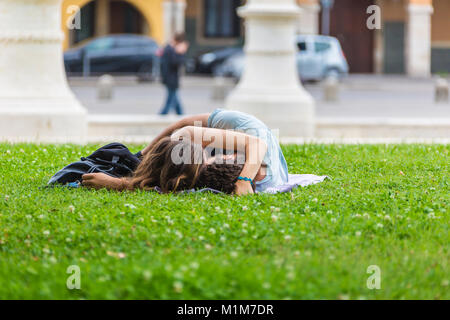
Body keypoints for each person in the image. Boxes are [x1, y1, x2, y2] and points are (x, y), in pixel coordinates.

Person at [82, 109, 289, 196]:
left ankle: (155, 161)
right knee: (181, 140)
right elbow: (184, 126)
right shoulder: (247, 137)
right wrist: (143, 154)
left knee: (182, 161)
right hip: (237, 130)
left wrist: (120, 184)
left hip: (231, 154)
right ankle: (147, 158)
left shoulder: (217, 175)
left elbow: (182, 184)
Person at [159, 32, 189, 115]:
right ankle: (164, 114)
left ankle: (179, 113)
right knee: (171, 97)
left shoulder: (169, 48)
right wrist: (181, 53)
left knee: (173, 97)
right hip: (170, 78)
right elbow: (176, 62)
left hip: (169, 78)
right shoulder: (170, 49)